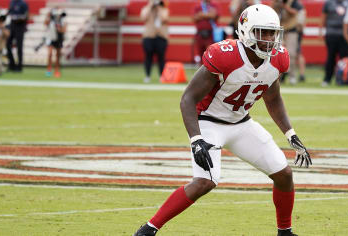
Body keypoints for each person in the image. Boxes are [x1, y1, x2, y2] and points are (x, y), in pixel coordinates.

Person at [133, 4, 311, 236]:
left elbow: (273, 98)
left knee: (284, 174)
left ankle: (284, 232)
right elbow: (188, 98)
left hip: (241, 124)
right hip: (208, 122)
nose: (269, 39)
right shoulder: (225, 55)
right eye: (262, 32)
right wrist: (196, 139)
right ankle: (148, 229)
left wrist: (291, 134)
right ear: (246, 32)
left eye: (272, 33)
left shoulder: (278, 58)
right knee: (205, 181)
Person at [271, 0, 303, 85]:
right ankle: (279, 76)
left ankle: (292, 76)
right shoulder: (277, 2)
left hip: (291, 31)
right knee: (276, 52)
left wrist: (284, 6)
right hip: (280, 30)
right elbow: (271, 11)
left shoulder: (294, 2)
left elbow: (294, 12)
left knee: (291, 54)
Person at [320, 0, 348, 87]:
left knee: (344, 59)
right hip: (331, 33)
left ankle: (343, 79)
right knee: (331, 57)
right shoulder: (328, 3)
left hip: (344, 34)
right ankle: (327, 79)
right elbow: (323, 17)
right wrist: (321, 31)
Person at [140, 0, 169, 83]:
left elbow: (164, 18)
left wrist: (159, 8)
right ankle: (147, 75)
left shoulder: (164, 9)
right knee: (148, 56)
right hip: (149, 36)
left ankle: (162, 76)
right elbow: (143, 17)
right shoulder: (146, 8)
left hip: (161, 37)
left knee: (161, 58)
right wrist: (150, 6)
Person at [193, 0, 219, 65]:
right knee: (201, 53)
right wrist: (208, 14)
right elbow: (194, 18)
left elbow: (214, 15)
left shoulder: (214, 5)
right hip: (200, 33)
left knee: (212, 52)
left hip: (211, 33)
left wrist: (201, 15)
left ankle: (211, 69)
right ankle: (201, 70)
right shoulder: (198, 5)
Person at [44, 7, 67, 78]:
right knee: (50, 54)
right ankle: (49, 70)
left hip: (59, 38)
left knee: (57, 55)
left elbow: (63, 30)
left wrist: (58, 28)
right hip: (51, 38)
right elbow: (45, 23)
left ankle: (57, 70)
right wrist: (48, 16)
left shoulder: (63, 21)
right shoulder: (51, 20)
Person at [6, 0, 29, 72]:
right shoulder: (12, 2)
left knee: (19, 46)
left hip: (20, 26)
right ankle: (12, 65)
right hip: (12, 25)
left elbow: (26, 15)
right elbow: (9, 12)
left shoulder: (23, 3)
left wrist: (18, 18)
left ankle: (19, 66)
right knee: (7, 44)